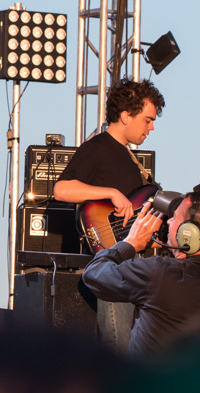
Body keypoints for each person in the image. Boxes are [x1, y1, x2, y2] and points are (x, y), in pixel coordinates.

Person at [52, 77, 165, 354]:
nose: (151, 127)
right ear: (126, 116)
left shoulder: (129, 158)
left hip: (132, 262)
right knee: (117, 345)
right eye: (147, 120)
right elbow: (61, 190)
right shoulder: (97, 147)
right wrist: (111, 192)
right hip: (113, 264)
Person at [81, 185, 200, 358]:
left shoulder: (159, 273)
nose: (168, 222)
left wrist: (130, 243)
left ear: (189, 234)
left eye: (174, 218)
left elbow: (95, 274)